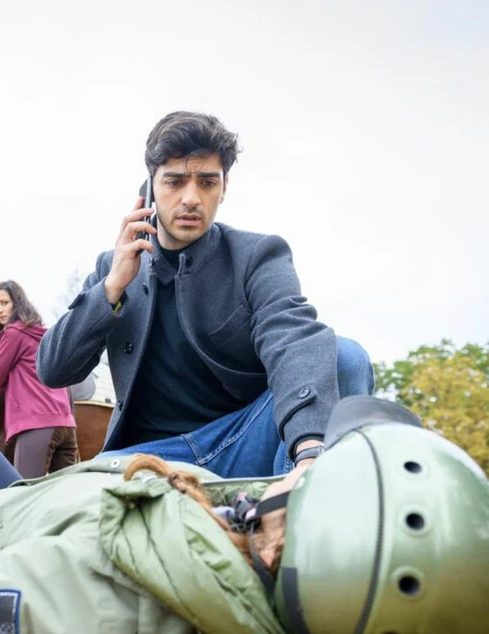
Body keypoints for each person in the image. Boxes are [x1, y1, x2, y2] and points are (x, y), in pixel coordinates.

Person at [0, 388, 489, 633]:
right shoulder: (240, 523)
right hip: (21, 511)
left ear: (290, 546)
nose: (303, 466)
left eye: (320, 476)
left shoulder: (110, 597)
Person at [37, 111, 375, 476]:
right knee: (75, 489)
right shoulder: (115, 268)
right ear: (150, 188)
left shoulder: (257, 257)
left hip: (242, 444)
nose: (191, 198)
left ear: (224, 187)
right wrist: (111, 288)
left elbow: (292, 337)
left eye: (207, 182)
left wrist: (311, 450)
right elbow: (53, 369)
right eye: (175, 182)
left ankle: (300, 505)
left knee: (345, 357)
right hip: (147, 457)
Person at [0, 280, 78, 478]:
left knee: (25, 495)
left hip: (37, 425)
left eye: (4, 303)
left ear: (17, 303)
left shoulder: (14, 333)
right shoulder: (43, 334)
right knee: (66, 498)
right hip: (66, 426)